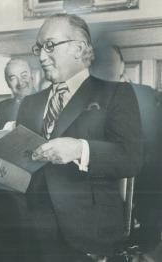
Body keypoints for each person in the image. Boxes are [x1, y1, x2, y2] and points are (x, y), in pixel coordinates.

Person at [16, 14, 143, 261]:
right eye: (38, 48)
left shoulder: (115, 93)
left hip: (90, 234)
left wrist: (80, 149)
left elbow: (131, 158)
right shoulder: (29, 104)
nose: (41, 56)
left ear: (79, 48)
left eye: (50, 46)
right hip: (31, 233)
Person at [91, 44, 162, 261]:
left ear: (122, 64)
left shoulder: (148, 96)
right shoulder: (91, 99)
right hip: (106, 186)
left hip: (146, 185)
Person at [0, 58, 35, 128]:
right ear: (8, 83)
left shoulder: (49, 101)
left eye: (24, 76)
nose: (20, 82)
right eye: (13, 78)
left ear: (32, 76)